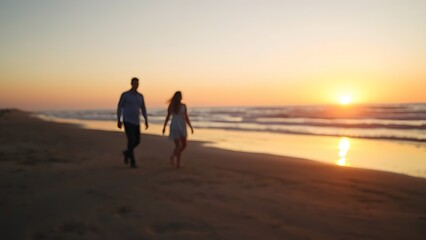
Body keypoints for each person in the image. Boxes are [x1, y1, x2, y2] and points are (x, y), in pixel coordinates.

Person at [117, 77, 148, 168]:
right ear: (131, 84)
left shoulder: (140, 96)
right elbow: (119, 107)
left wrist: (146, 120)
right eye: (134, 83)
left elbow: (143, 109)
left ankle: (127, 153)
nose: (136, 85)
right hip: (127, 120)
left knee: (137, 140)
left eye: (137, 83)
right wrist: (119, 120)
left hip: (136, 121)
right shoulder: (125, 95)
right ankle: (132, 162)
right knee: (131, 139)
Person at [162, 91, 194, 168]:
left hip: (182, 125)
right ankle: (178, 163)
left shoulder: (183, 105)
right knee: (178, 145)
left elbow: (186, 117)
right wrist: (164, 127)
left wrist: (190, 126)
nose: (180, 97)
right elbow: (168, 117)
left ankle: (173, 156)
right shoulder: (172, 106)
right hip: (175, 125)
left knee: (184, 145)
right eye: (179, 96)